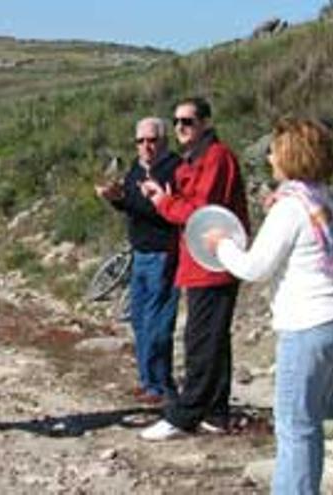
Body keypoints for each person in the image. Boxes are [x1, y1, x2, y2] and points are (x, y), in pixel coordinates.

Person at [206, 118, 333, 494]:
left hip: (305, 326)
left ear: (290, 154)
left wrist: (221, 246)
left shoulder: (290, 209)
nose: (269, 155)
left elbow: (255, 268)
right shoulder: (321, 198)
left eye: (275, 148)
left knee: (296, 427)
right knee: (312, 422)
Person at [139, 97, 250, 440]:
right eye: (176, 122)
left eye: (187, 121)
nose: (181, 127)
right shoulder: (193, 161)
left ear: (204, 123)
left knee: (200, 339)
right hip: (202, 262)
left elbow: (199, 212)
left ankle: (183, 414)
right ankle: (215, 413)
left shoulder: (216, 158)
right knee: (213, 338)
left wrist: (163, 201)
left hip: (213, 263)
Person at [95, 117, 181, 404]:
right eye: (141, 141)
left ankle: (162, 385)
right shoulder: (135, 169)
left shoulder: (174, 170)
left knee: (159, 323)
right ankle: (149, 383)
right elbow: (133, 207)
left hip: (163, 253)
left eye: (152, 140)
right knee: (140, 321)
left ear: (164, 141)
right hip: (140, 254)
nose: (146, 146)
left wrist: (123, 199)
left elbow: (164, 211)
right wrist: (116, 199)